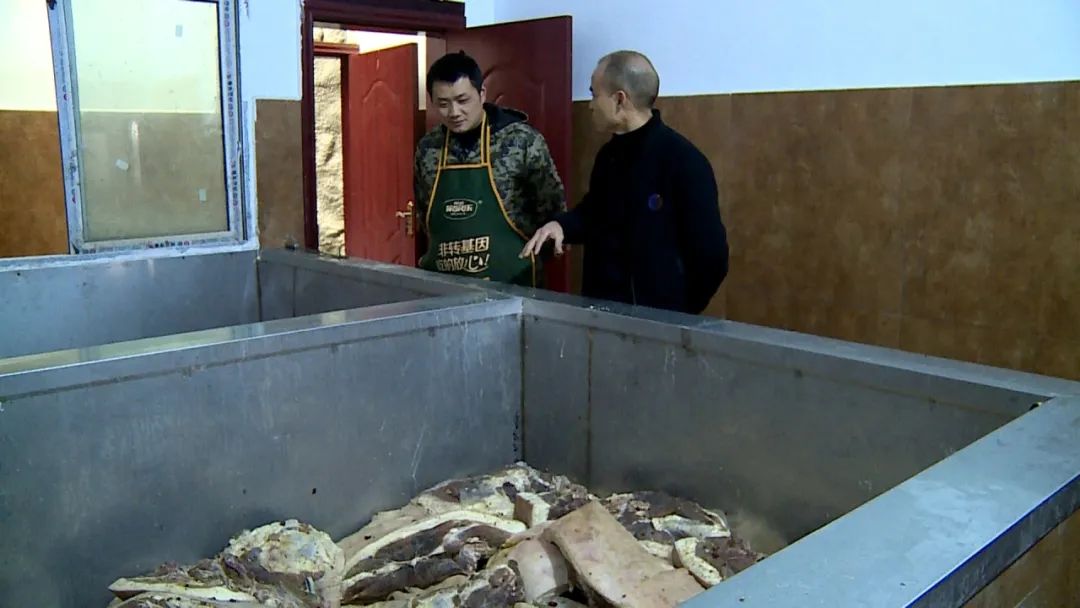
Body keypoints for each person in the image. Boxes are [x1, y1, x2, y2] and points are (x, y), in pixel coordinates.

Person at [521, 51, 728, 314]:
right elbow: (595, 213)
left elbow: (711, 257)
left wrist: (677, 313)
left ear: (620, 100)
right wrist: (561, 225)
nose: (590, 105)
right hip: (602, 314)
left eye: (594, 94)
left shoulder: (684, 161)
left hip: (656, 324)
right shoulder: (609, 156)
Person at [415, 51, 566, 287]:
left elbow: (553, 212)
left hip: (514, 285)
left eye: (463, 100)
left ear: (482, 94)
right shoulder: (428, 148)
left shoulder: (521, 141)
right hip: (447, 287)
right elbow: (425, 217)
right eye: (443, 104)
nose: (454, 112)